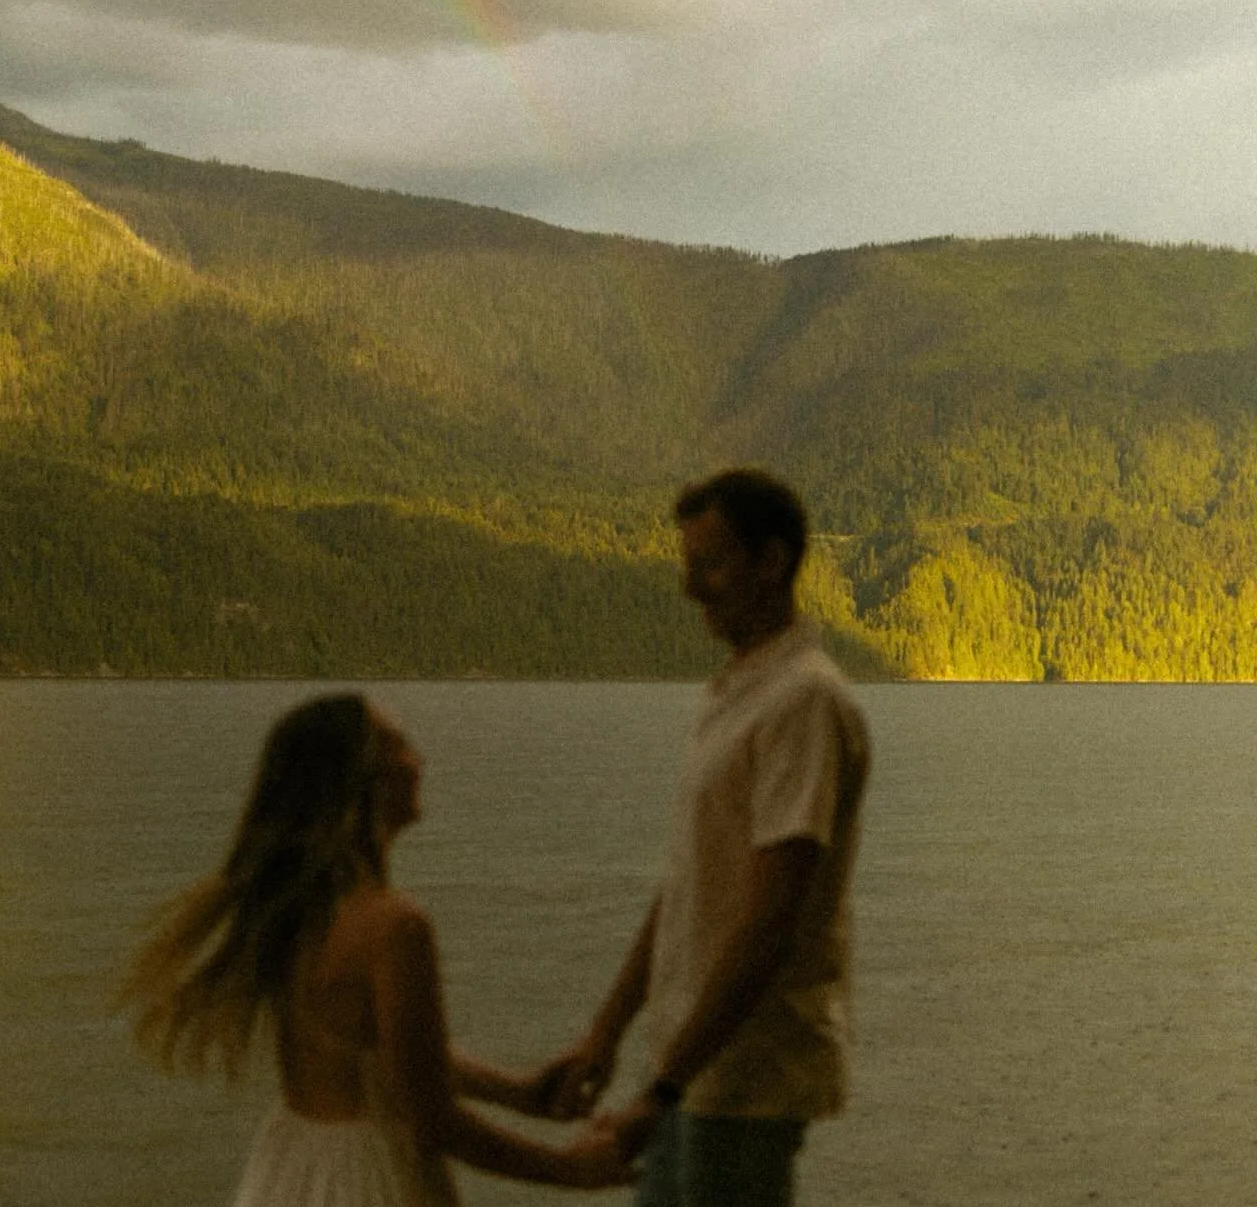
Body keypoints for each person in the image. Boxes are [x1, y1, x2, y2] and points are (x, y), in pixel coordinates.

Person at [119, 692, 633, 1205]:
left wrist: (517, 1092)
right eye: (399, 745)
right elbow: (433, 1121)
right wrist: (571, 1169)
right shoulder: (395, 927)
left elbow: (389, 1055)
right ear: (362, 782)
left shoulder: (295, 908)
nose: (418, 760)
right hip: (370, 1177)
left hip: (294, 1163)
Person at [540, 470, 871, 1207]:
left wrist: (660, 1090)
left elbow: (772, 919)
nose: (691, 588)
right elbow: (688, 887)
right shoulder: (737, 692)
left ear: (771, 561)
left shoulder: (803, 701)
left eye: (711, 564)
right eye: (688, 565)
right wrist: (606, 1034)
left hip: (745, 1076)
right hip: (690, 1069)